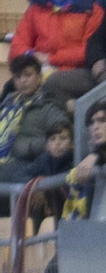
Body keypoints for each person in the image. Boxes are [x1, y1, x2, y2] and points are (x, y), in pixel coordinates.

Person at [10, 0, 102, 73]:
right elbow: (17, 46)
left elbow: (88, 51)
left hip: (73, 72)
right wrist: (32, 55)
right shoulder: (36, 8)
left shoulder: (93, 11)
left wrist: (50, 58)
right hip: (37, 70)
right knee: (10, 87)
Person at [0, 55, 70, 183]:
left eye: (27, 75)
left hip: (30, 164)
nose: (23, 81)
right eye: (18, 77)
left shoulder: (48, 105)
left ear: (39, 77)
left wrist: (25, 147)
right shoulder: (7, 104)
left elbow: (63, 135)